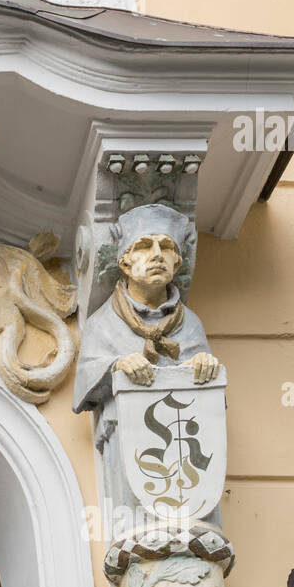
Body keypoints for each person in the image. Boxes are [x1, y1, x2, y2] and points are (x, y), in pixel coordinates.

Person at [72, 203, 220, 521]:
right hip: (129, 445)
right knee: (135, 525)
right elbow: (85, 378)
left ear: (178, 261)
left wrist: (204, 365)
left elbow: (211, 399)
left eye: (166, 247)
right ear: (124, 261)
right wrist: (116, 366)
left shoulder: (189, 324)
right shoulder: (103, 323)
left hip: (185, 453)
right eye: (143, 246)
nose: (156, 255)